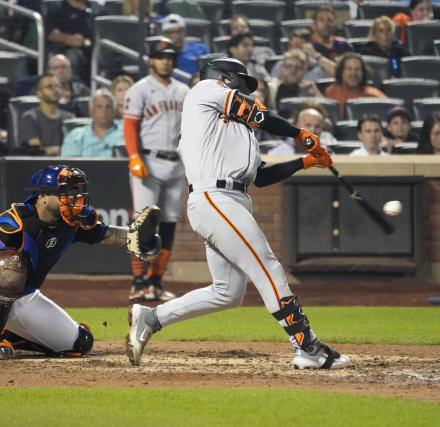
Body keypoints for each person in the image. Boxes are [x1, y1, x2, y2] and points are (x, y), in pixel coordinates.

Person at [125, 57, 351, 371]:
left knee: (227, 292)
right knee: (267, 265)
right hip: (214, 197)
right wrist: (301, 134)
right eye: (242, 83)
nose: (247, 91)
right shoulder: (204, 90)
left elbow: (261, 177)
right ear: (225, 78)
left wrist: (306, 162)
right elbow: (259, 114)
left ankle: (151, 317)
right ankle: (306, 346)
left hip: (229, 200)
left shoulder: (235, 130)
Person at [0, 165, 161, 359]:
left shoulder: (74, 220)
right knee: (11, 263)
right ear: (42, 196)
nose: (72, 197)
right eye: (63, 192)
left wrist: (136, 239)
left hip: (24, 296)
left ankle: (12, 334)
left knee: (81, 343)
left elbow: (109, 235)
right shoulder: (14, 221)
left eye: (73, 191)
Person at [123, 37, 189, 301]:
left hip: (177, 163)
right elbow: (130, 126)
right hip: (148, 162)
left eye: (169, 57)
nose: (165, 61)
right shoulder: (139, 89)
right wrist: (134, 157)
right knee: (143, 222)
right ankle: (139, 282)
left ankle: (156, 282)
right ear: (151, 60)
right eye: (160, 57)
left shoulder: (184, 91)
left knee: (170, 224)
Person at [45, 0, 102, 84]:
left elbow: (105, 30)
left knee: (105, 58)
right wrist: (67, 39)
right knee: (73, 57)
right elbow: (50, 34)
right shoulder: (57, 7)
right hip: (66, 50)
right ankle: (73, 89)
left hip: (94, 49)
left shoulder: (95, 7)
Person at [19, 74, 75, 155]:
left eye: (57, 86)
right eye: (50, 86)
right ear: (39, 93)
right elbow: (37, 151)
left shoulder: (70, 118)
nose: (55, 90)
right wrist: (64, 149)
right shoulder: (30, 118)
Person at [61, 89, 124, 157]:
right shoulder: (76, 136)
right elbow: (70, 164)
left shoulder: (126, 132)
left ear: (114, 111)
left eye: (108, 107)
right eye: (99, 106)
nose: (104, 111)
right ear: (92, 111)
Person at [324, 53, 387, 118]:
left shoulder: (374, 95)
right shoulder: (332, 92)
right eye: (349, 69)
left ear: (363, 73)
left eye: (358, 69)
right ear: (341, 71)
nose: (353, 73)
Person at [268, 103, 337, 154]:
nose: (313, 130)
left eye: (317, 126)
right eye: (308, 125)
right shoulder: (280, 152)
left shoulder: (328, 153)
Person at [271, 28, 336, 81]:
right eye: (291, 46)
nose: (294, 50)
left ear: (309, 46)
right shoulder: (281, 66)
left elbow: (339, 74)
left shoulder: (319, 66)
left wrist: (315, 56)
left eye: (298, 46)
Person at [160, 13, 209, 80]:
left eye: (179, 31)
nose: (176, 36)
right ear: (164, 35)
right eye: (170, 32)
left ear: (185, 32)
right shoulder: (159, 57)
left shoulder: (200, 49)